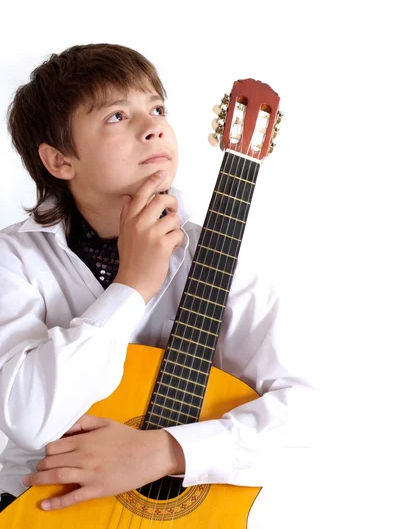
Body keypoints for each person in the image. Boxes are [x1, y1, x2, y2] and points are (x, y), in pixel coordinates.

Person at [0, 43, 312, 513]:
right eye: (117, 117)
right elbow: (28, 417)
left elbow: (307, 411)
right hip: (43, 508)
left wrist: (166, 452)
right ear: (60, 160)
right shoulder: (13, 260)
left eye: (157, 108)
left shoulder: (219, 254)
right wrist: (132, 287)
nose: (154, 129)